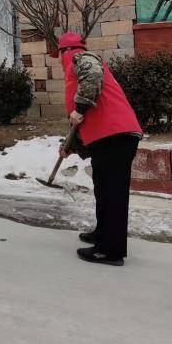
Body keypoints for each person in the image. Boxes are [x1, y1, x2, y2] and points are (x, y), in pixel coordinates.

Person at [57, 32, 142, 266]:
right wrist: (70, 147)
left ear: (65, 51)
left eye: (59, 53)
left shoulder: (80, 58)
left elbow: (91, 80)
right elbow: (79, 119)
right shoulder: (74, 71)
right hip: (108, 136)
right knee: (103, 189)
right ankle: (103, 234)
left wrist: (80, 107)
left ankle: (110, 251)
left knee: (113, 192)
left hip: (116, 135)